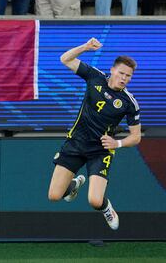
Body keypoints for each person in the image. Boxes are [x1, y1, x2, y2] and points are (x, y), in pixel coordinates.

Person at [48, 38, 141, 230]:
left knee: (94, 201)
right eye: (122, 73)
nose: (124, 78)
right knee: (54, 196)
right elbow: (65, 59)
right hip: (75, 143)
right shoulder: (95, 76)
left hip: (100, 150)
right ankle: (72, 186)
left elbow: (136, 136)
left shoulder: (129, 102)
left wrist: (118, 144)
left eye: (129, 76)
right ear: (113, 70)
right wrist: (85, 47)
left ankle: (107, 208)